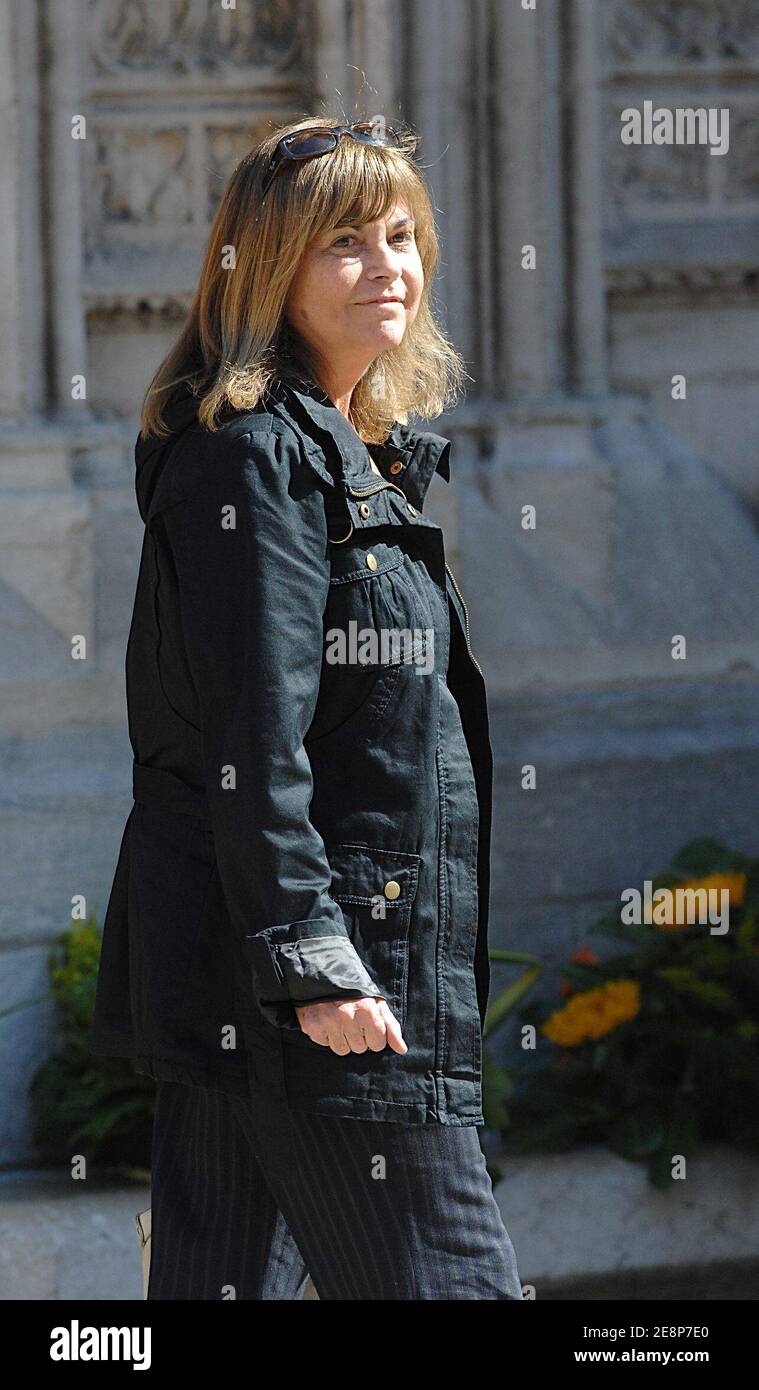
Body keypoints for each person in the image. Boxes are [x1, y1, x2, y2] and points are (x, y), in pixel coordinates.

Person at [90, 115, 523, 1301]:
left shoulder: (342, 451)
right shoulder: (256, 461)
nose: (388, 265)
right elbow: (247, 737)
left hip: (282, 983)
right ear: (266, 268)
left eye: (400, 235)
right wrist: (313, 959)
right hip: (336, 988)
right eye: (345, 242)